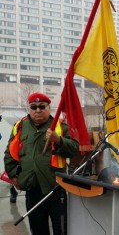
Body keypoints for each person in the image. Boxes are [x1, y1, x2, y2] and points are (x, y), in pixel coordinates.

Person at [4, 92, 80, 235]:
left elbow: (75, 149)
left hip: (56, 189)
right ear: (30, 108)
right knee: (38, 230)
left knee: (61, 230)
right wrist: (14, 177)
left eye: (41, 106)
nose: (37, 110)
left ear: (49, 108)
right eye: (34, 107)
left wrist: (58, 140)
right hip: (32, 189)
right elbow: (9, 154)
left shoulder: (60, 125)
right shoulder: (20, 126)